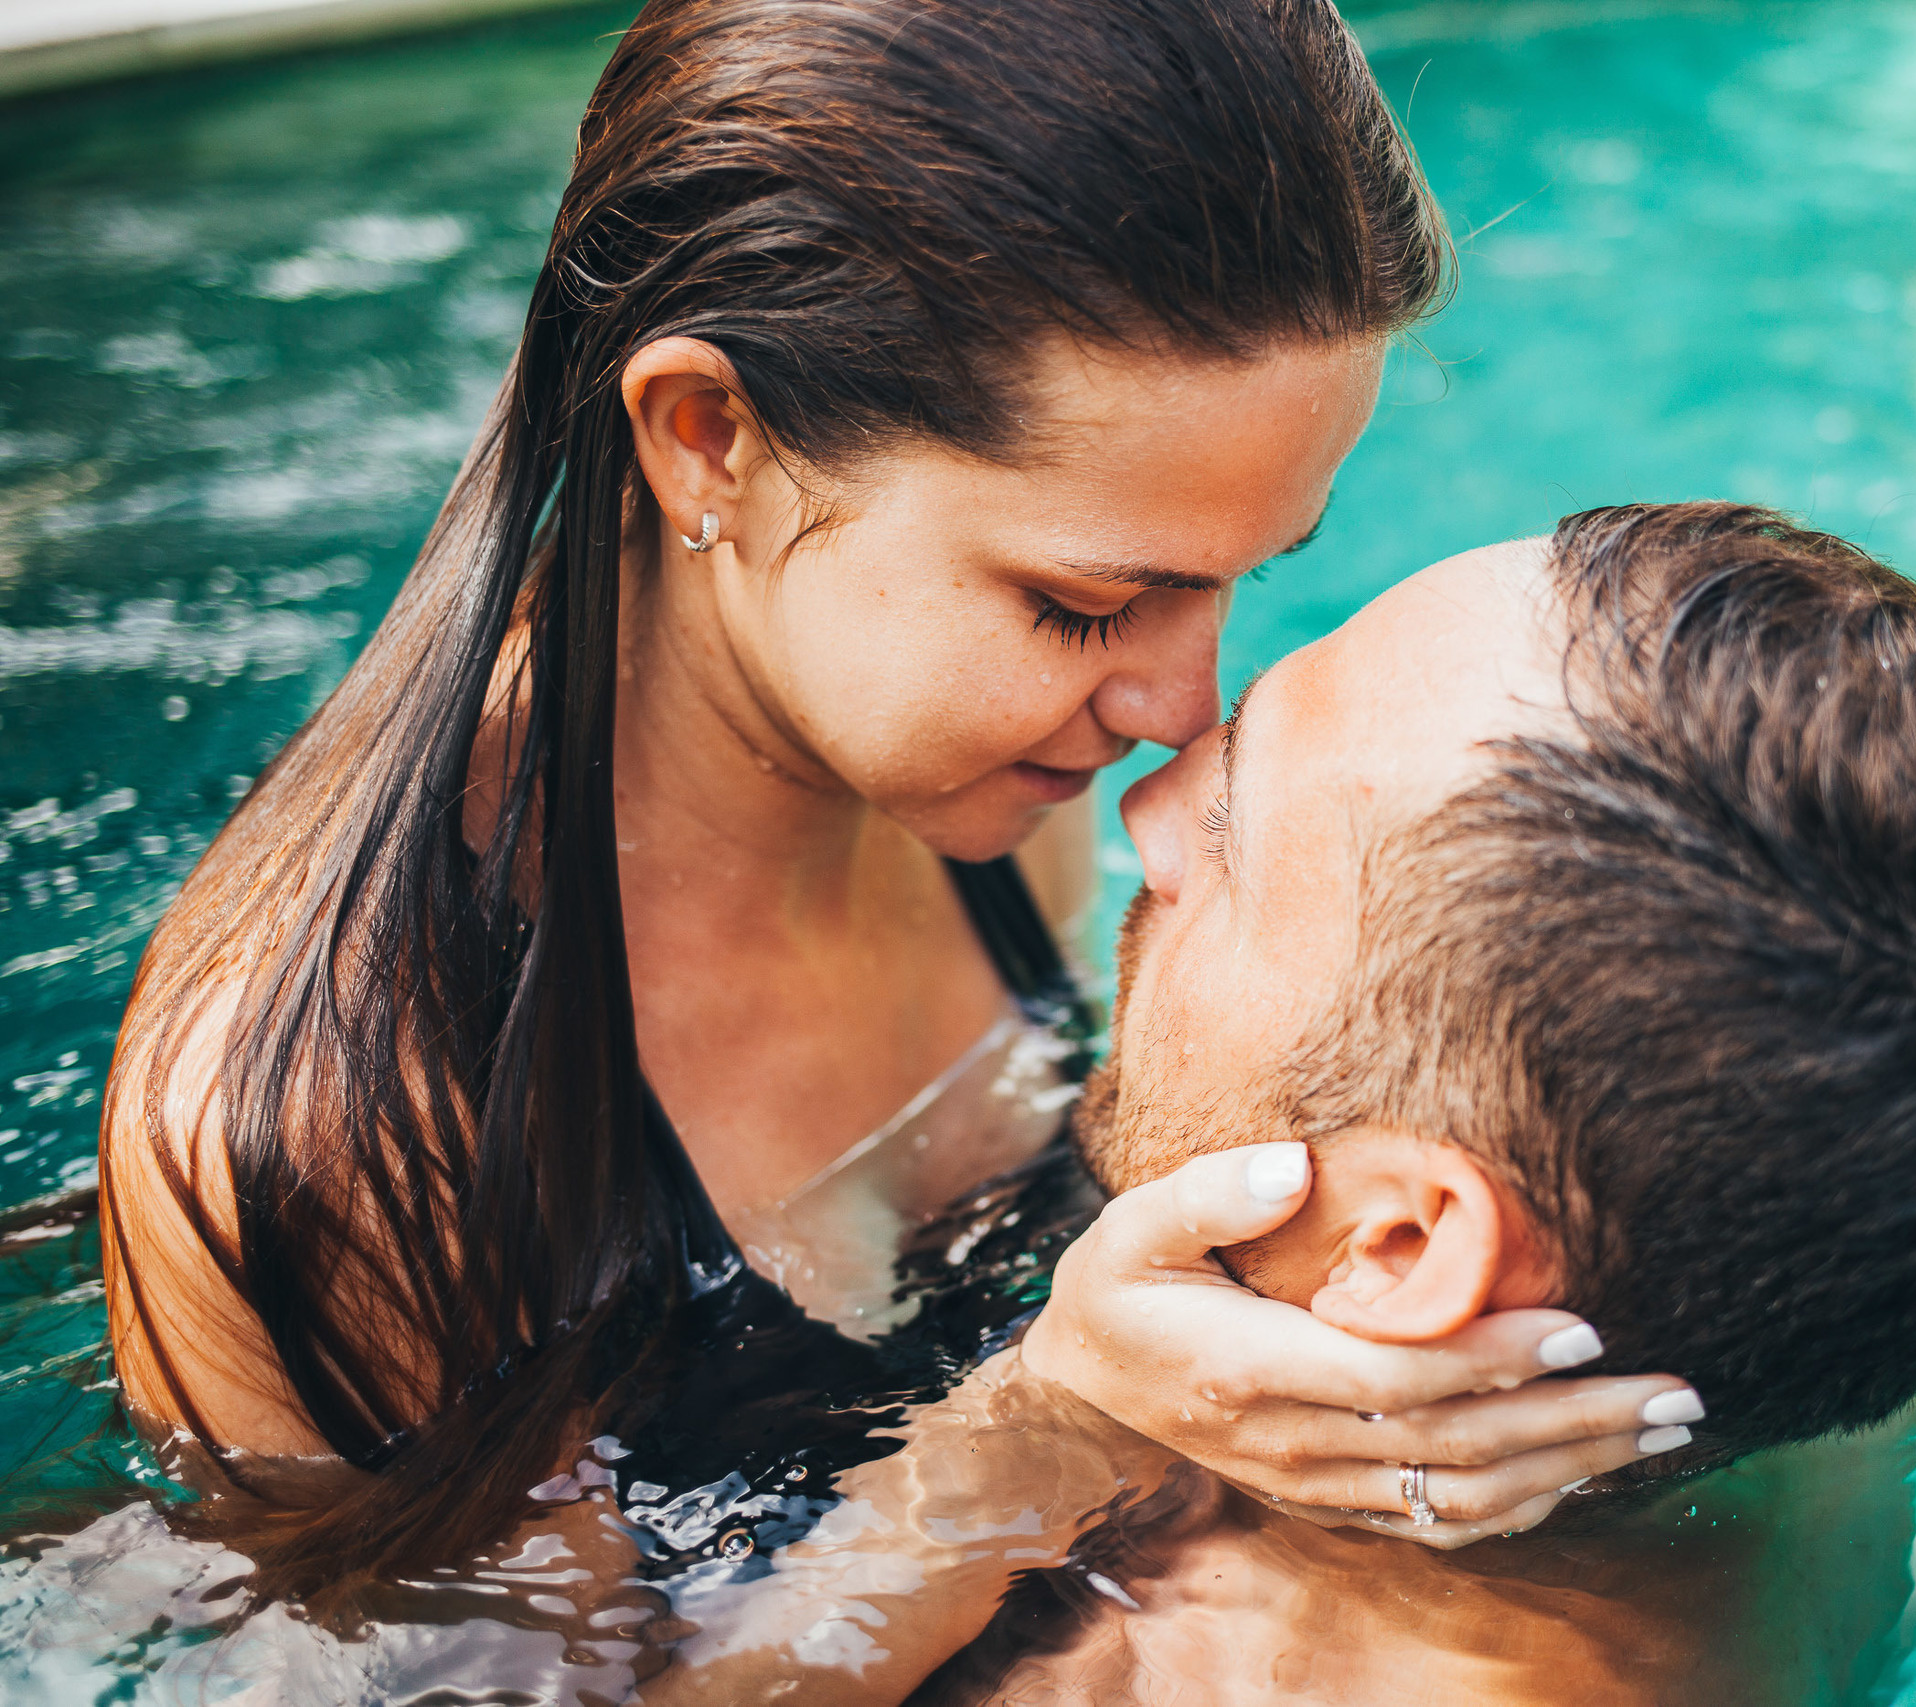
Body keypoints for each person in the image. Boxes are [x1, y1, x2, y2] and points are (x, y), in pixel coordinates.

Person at [91, 0, 1679, 1611]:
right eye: (1083, 602)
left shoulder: (990, 760)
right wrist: (1053, 1426)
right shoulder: (341, 1114)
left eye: (1237, 581)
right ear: (711, 441)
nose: (1178, 722)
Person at [642, 501, 1916, 1701]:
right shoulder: (1812, 1247)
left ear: (1393, 1249)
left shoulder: (1190, 1675)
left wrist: (1043, 1426)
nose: (1147, 805)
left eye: (1235, 839)